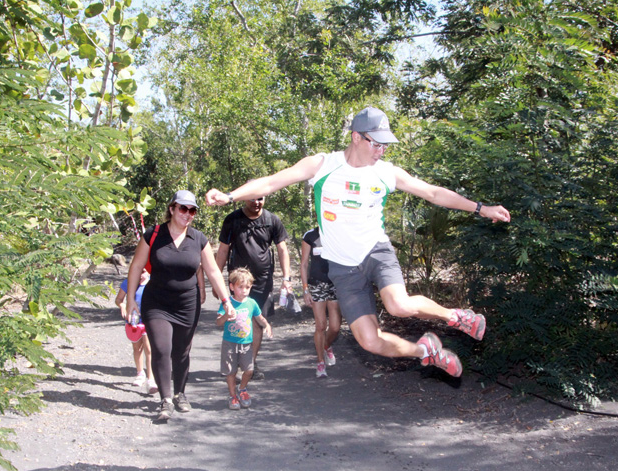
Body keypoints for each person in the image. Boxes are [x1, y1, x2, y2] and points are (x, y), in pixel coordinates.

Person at [206, 106, 511, 377]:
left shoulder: (386, 172)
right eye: (375, 143)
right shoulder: (323, 165)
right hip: (342, 267)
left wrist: (481, 209)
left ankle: (456, 317)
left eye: (384, 145)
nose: (381, 151)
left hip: (375, 251)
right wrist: (230, 195)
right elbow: (273, 181)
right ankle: (426, 351)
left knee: (399, 305)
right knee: (369, 341)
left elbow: (433, 193)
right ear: (356, 137)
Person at [126, 190, 236, 421]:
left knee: (182, 351)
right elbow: (136, 267)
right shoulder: (153, 234)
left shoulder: (198, 239)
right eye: (183, 209)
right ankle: (165, 400)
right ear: (172, 208)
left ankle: (180, 393)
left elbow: (213, 271)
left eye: (192, 210)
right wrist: (130, 302)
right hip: (156, 302)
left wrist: (226, 301)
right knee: (161, 348)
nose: (188, 214)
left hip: (187, 303)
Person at [214, 192, 292, 380]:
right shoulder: (232, 220)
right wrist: (216, 281)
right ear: (244, 198)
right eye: (253, 198)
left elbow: (282, 249)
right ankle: (234, 360)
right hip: (238, 281)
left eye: (261, 198)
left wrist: (286, 278)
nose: (257, 202)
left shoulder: (272, 220)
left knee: (257, 321)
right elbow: (223, 250)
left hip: (262, 280)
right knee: (236, 319)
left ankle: (250, 364)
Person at [216, 267, 273, 410]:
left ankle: (242, 389)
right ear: (232, 287)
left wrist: (266, 325)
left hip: (247, 344)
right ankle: (232, 395)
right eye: (240, 287)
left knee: (249, 370)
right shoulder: (227, 303)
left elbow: (259, 317)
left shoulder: (251, 303)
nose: (244, 290)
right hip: (229, 343)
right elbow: (218, 322)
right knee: (231, 372)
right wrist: (226, 316)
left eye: (247, 287)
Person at [300, 226, 341, 378]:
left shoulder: (338, 233)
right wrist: (305, 290)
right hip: (316, 284)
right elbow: (304, 264)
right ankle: (320, 362)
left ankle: (326, 345)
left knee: (335, 327)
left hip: (335, 284)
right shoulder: (310, 235)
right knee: (321, 325)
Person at [114, 268, 158, 394]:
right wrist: (122, 305)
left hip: (149, 320)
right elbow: (118, 299)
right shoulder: (128, 283)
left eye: (143, 272)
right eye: (138, 271)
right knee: (137, 348)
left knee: (149, 349)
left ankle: (151, 378)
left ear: (149, 271)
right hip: (134, 320)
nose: (141, 275)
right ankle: (140, 373)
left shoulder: (153, 283)